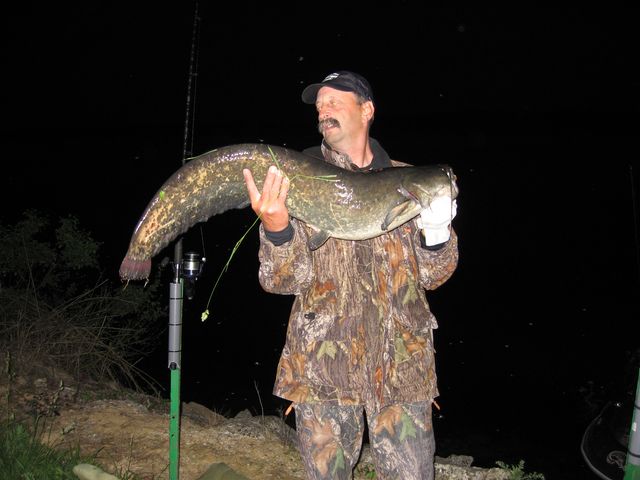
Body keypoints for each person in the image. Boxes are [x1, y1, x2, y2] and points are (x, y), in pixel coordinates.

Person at [243, 71, 458, 480]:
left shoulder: (408, 177)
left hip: (403, 370)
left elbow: (435, 275)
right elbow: (281, 281)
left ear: (367, 110)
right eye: (319, 105)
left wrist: (436, 234)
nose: (323, 110)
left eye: (334, 101)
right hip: (323, 372)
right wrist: (277, 228)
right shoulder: (297, 181)